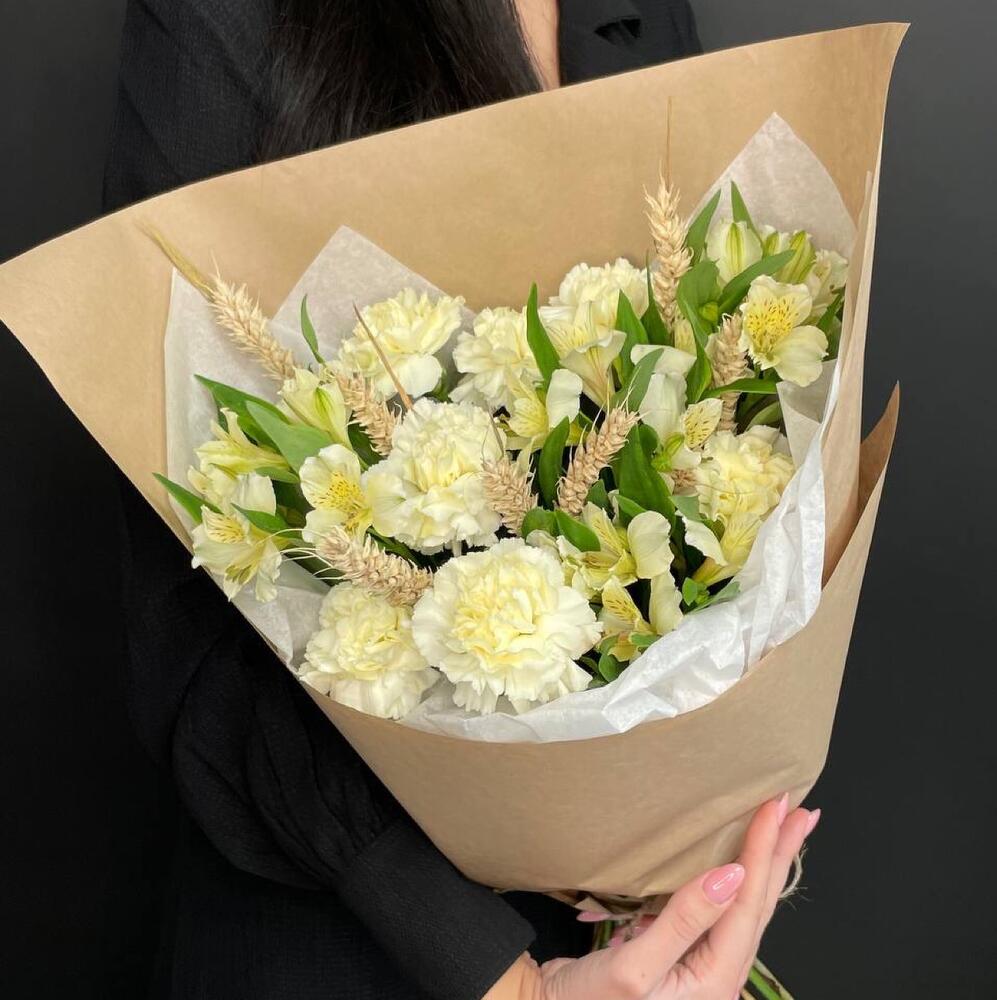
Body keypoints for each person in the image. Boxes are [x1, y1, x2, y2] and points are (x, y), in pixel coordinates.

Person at [102, 2, 818, 998]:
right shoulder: (229, 19)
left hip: (649, 950)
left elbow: (728, 425)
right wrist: (498, 977)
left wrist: (703, 855)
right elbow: (189, 617)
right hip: (354, 946)